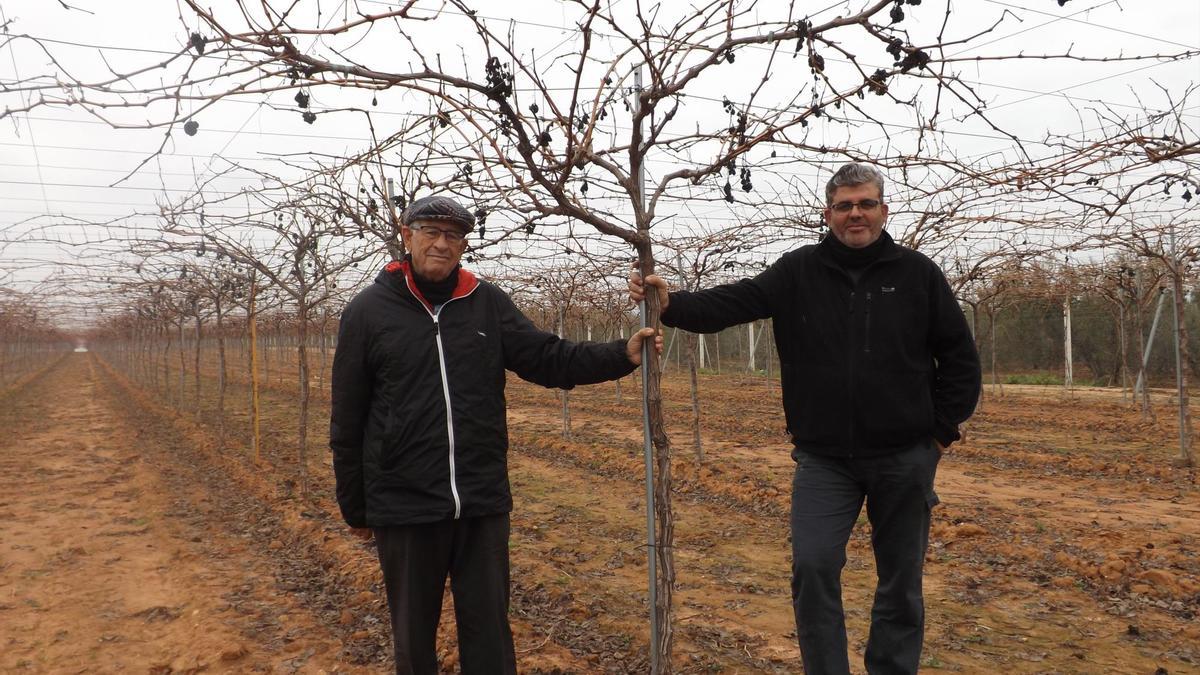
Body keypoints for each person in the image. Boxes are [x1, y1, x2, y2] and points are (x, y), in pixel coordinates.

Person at [629, 163, 981, 675]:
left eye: (865, 204)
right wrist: (671, 302)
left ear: (883, 210)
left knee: (900, 580)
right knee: (813, 566)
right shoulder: (797, 271)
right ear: (828, 213)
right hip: (824, 459)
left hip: (904, 456)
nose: (855, 213)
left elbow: (959, 357)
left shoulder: (917, 274)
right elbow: (733, 303)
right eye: (844, 205)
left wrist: (939, 433)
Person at [331, 195, 660, 674]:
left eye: (454, 235)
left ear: (464, 244)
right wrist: (356, 506)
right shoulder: (367, 311)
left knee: (489, 634)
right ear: (407, 237)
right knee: (413, 638)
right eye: (431, 232)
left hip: (481, 501)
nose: (442, 244)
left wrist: (620, 355)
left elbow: (546, 357)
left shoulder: (486, 303)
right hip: (403, 502)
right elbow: (348, 415)